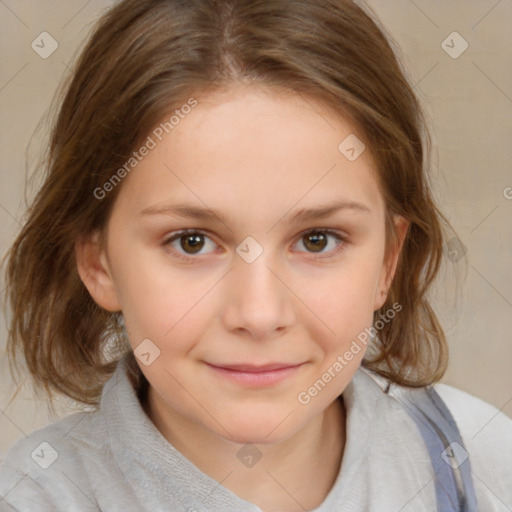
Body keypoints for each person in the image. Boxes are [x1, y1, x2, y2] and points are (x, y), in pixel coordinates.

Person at [1, 0, 510, 511]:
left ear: (387, 261)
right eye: (192, 242)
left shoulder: (482, 465)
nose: (260, 314)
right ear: (99, 262)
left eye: (318, 240)